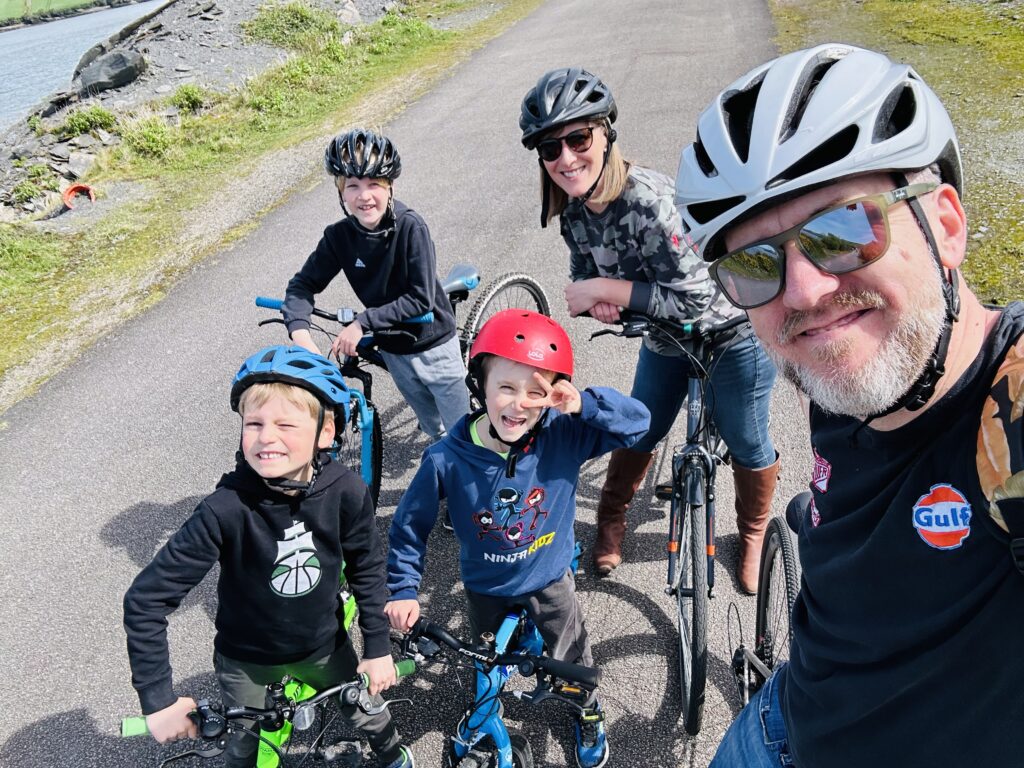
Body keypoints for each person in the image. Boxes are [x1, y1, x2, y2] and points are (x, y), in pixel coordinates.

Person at [674, 43, 1024, 767]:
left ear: (947, 227)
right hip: (781, 721)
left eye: (843, 231)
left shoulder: (1009, 413)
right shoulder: (850, 361)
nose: (802, 293)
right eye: (754, 262)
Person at [519, 67, 780, 591]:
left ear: (605, 133)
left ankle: (751, 533)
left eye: (578, 138)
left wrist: (609, 293)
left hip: (728, 332)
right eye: (551, 148)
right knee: (639, 427)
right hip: (664, 338)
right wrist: (600, 301)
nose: (566, 158)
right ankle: (611, 517)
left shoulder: (648, 200)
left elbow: (697, 296)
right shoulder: (573, 213)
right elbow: (583, 279)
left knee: (747, 441)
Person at [123, 345, 414, 768]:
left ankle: (393, 755)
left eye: (285, 424)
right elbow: (146, 600)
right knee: (240, 749)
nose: (266, 437)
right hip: (246, 661)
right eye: (254, 423)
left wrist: (377, 648)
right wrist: (159, 699)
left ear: (326, 432)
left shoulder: (346, 491)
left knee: (366, 709)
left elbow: (367, 569)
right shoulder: (225, 509)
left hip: (324, 648)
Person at [384, 309, 650, 768]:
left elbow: (639, 423)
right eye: (505, 387)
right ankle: (489, 707)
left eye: (536, 391)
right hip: (486, 586)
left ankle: (586, 710)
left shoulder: (566, 434)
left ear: (553, 394)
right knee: (485, 660)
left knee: (571, 655)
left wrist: (583, 405)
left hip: (549, 577)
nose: (519, 404)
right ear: (479, 387)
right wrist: (404, 588)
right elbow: (409, 526)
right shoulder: (446, 458)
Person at [284, 128, 470, 441]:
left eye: (374, 184)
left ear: (389, 187)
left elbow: (421, 298)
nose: (364, 195)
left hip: (433, 342)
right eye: (353, 185)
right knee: (432, 426)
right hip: (394, 349)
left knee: (463, 432)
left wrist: (362, 322)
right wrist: (300, 333)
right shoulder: (339, 237)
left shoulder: (411, 227)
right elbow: (302, 286)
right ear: (341, 191)